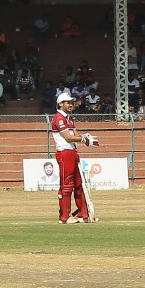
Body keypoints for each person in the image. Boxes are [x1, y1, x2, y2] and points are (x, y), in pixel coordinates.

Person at [49, 90, 97, 225]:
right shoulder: (58, 118)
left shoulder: (69, 118)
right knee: (66, 185)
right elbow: (68, 137)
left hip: (73, 152)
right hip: (65, 153)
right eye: (68, 103)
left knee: (78, 184)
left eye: (71, 102)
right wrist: (83, 139)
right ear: (60, 104)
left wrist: (86, 138)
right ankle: (64, 217)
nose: (71, 104)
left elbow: (75, 135)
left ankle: (83, 214)